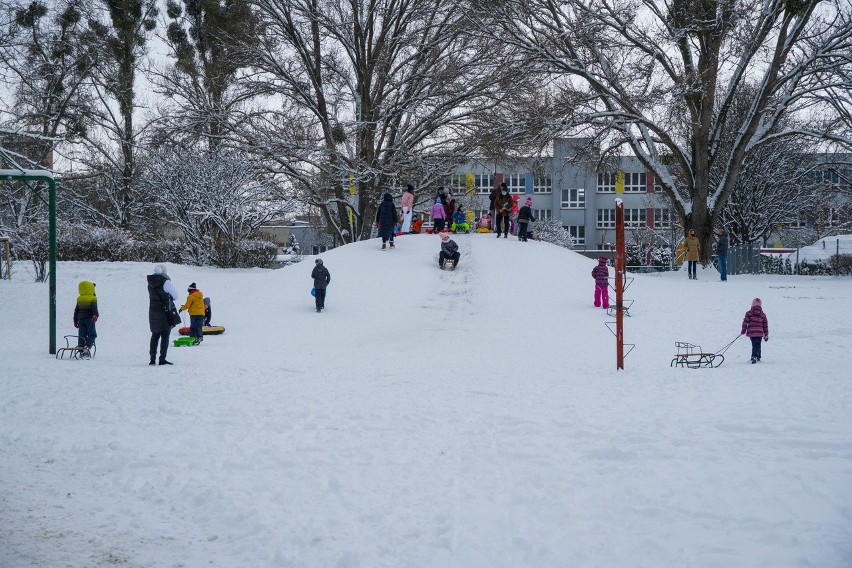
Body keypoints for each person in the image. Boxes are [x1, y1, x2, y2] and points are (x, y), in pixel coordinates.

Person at [148, 264, 179, 365]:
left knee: (155, 335)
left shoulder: (150, 283)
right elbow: (175, 296)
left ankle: (152, 359)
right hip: (164, 311)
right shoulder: (166, 282)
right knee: (165, 335)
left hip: (153, 311)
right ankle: (162, 359)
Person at [73, 280, 98, 359]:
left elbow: (76, 310)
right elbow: (94, 308)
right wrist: (95, 315)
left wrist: (75, 320)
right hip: (90, 319)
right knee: (92, 334)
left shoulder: (79, 299)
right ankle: (87, 346)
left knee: (82, 334)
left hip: (81, 319)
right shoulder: (93, 298)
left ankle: (81, 347)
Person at [741, 297, 769, 363]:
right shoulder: (763, 315)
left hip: (751, 332)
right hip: (759, 333)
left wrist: (743, 330)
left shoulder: (749, 313)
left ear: (752, 305)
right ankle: (757, 356)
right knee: (758, 344)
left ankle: (755, 356)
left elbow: (745, 322)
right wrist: (766, 334)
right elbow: (765, 325)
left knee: (755, 344)